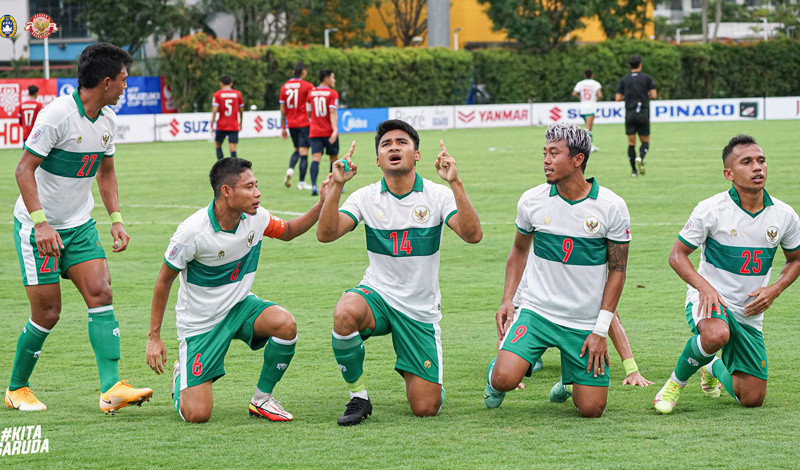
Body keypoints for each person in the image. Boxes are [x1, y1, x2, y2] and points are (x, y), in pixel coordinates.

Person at [5, 42, 152, 414]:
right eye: (123, 80)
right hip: (37, 228)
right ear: (105, 82)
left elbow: (106, 171)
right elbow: (23, 170)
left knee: (101, 293)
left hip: (79, 226)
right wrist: (40, 224)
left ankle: (111, 389)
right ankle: (17, 388)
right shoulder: (56, 116)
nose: (125, 86)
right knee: (48, 313)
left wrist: (116, 219)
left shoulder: (108, 121)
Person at [317, 119, 482, 426]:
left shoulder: (436, 195)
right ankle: (359, 397)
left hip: (419, 308)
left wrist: (455, 183)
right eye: (386, 144)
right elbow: (326, 234)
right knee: (345, 312)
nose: (394, 146)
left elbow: (472, 235)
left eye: (402, 142)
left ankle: (422, 374)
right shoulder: (366, 196)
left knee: (425, 407)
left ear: (416, 154)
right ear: (378, 159)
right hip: (377, 294)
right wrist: (337, 187)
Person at [146, 157, 330, 423]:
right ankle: (181, 377)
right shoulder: (192, 232)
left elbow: (288, 231)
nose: (257, 193)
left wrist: (322, 203)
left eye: (256, 185)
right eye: (249, 187)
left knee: (285, 324)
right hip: (202, 324)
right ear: (226, 191)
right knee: (197, 415)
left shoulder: (257, 217)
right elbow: (163, 280)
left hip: (240, 307)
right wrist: (154, 337)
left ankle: (262, 399)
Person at [483, 122, 630, 418]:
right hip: (537, 312)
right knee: (505, 379)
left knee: (591, 409)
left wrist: (600, 330)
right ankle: (496, 376)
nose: (546, 160)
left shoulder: (611, 206)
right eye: (544, 153)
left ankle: (566, 383)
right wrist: (508, 299)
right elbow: (519, 250)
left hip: (583, 321)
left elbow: (617, 270)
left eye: (554, 153)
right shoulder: (531, 200)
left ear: (578, 159)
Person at [653, 134, 800, 414]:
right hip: (711, 300)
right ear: (728, 174)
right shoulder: (711, 209)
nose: (757, 167)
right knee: (716, 334)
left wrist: (775, 289)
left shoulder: (784, 215)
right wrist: (704, 288)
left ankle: (711, 366)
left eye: (761, 160)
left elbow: (796, 260)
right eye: (747, 162)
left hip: (749, 312)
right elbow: (676, 255)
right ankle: (674, 385)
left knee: (752, 398)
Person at [615, 54, 657, 177]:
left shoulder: (624, 80)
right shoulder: (647, 78)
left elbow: (617, 98)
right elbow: (654, 95)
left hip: (630, 113)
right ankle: (641, 158)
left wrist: (628, 97)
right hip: (643, 112)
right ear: (640, 65)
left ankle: (634, 171)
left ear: (629, 65)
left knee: (631, 142)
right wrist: (644, 95)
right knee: (645, 140)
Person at [280, 61, 314, 190]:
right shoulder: (307, 86)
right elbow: (311, 104)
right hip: (304, 122)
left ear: (294, 72)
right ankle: (301, 182)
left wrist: (283, 127)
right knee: (304, 152)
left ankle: (290, 169)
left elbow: (282, 109)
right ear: (303, 72)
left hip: (291, 124)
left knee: (297, 150)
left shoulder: (284, 87)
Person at [307, 69, 339, 196]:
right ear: (326, 79)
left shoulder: (312, 93)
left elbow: (308, 110)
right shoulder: (332, 93)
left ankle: (314, 185)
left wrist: (314, 121)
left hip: (314, 131)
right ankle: (333, 185)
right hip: (329, 131)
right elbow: (332, 112)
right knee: (334, 158)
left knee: (316, 158)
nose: (334, 80)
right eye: (332, 77)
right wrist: (335, 130)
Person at [210, 75, 244, 161]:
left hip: (222, 124)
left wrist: (212, 124)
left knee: (218, 144)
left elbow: (214, 110)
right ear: (231, 83)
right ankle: (234, 170)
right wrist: (241, 122)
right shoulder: (237, 94)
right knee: (232, 148)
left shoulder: (217, 94)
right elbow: (241, 109)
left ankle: (220, 168)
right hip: (233, 124)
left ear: (221, 84)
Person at [572, 69, 602, 152]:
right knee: (588, 128)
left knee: (589, 127)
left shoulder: (580, 83)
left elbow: (574, 93)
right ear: (592, 75)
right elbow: (600, 95)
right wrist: (597, 99)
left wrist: (580, 98)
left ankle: (590, 144)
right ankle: (586, 146)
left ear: (584, 75)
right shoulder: (595, 83)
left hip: (583, 107)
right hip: (591, 107)